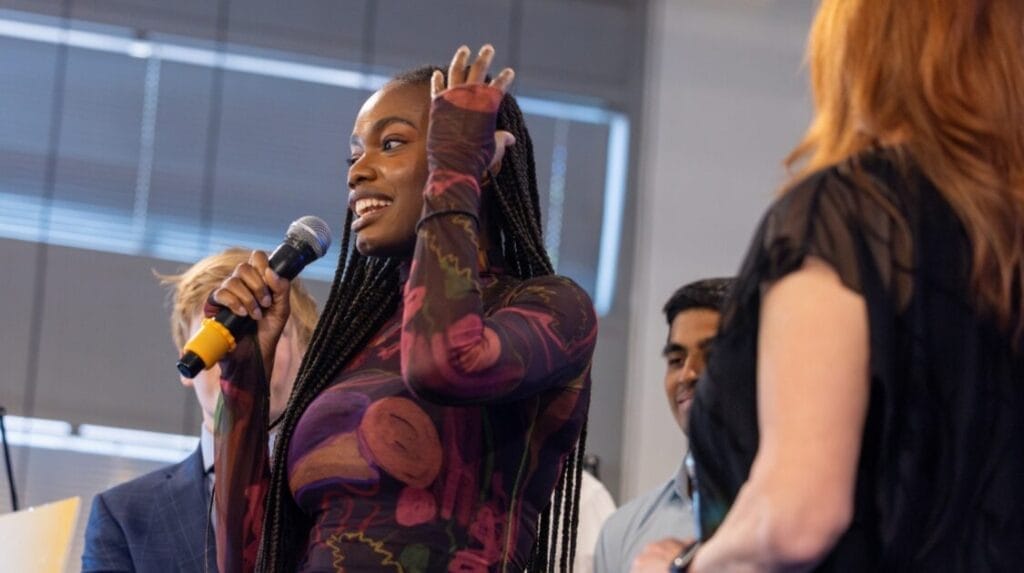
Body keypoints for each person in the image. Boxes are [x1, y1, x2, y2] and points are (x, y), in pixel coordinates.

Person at [633, 0, 1024, 571]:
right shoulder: (1001, 238)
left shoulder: (849, 217)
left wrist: (684, 568)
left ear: (860, 49)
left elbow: (797, 520)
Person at [210, 45, 597, 572]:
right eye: (354, 156)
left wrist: (453, 171)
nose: (357, 173)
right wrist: (245, 378)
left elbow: (444, 364)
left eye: (391, 143)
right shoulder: (351, 349)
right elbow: (248, 560)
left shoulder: (554, 308)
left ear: (480, 159)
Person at [81, 247, 318, 572]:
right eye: (220, 333)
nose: (236, 356)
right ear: (187, 363)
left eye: (262, 327)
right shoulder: (124, 515)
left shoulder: (347, 494)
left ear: (306, 352)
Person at [594, 278, 731, 572]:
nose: (688, 374)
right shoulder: (623, 531)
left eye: (712, 356)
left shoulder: (807, 521)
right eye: (677, 359)